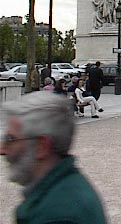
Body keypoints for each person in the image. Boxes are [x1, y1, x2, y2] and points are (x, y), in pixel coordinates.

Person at [0, 91, 107, 223]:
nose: (2, 149)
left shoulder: (58, 215)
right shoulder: (65, 190)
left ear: (41, 146)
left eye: (11, 139)